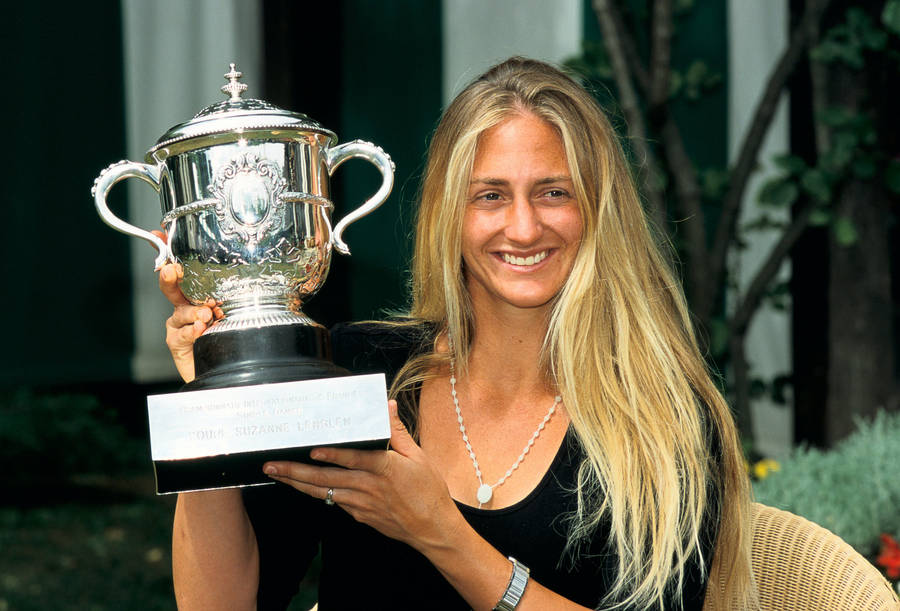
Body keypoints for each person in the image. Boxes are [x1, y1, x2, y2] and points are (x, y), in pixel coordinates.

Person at [159, 57, 755, 610]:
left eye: (553, 192)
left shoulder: (661, 418)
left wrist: (440, 533)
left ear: (599, 209)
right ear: (451, 213)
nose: (523, 228)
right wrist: (216, 404)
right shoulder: (354, 373)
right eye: (490, 196)